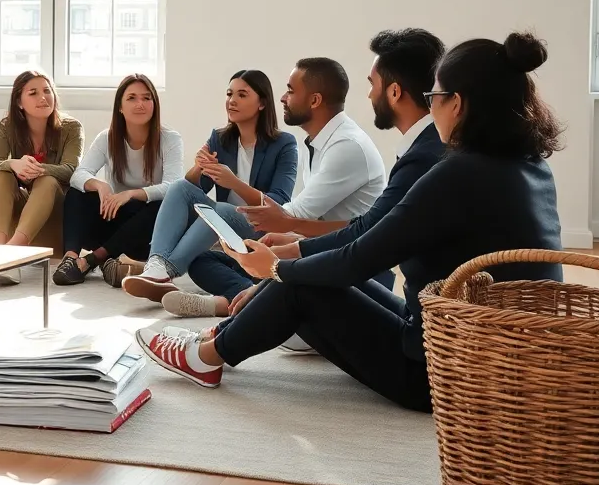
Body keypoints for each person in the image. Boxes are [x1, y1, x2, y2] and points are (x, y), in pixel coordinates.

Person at [134, 32, 567, 413]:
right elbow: (368, 234)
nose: (434, 111)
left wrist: (278, 269)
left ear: (458, 103)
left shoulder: (456, 169)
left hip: (441, 375)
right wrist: (287, 257)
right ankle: (222, 330)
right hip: (489, 361)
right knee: (314, 275)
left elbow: (361, 254)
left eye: (436, 98)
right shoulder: (528, 165)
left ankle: (206, 357)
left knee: (303, 284)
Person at [165, 30, 446, 319]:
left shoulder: (348, 146)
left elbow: (319, 220)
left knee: (277, 269)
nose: (283, 98)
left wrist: (287, 242)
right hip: (326, 250)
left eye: (289, 90)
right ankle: (233, 298)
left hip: (351, 266)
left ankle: (216, 324)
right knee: (205, 260)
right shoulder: (315, 142)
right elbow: (302, 220)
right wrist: (289, 241)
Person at [120, 70, 297, 303]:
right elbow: (195, 187)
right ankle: (157, 263)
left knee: (221, 209)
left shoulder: (284, 143)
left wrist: (234, 182)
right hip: (222, 225)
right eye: (229, 93)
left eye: (242, 95)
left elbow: (279, 201)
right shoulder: (220, 138)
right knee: (179, 188)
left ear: (262, 103)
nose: (232, 100)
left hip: (260, 227)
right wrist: (198, 167)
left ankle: (167, 271)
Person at [55, 74, 184, 287]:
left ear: (154, 105)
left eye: (147, 98)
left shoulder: (170, 139)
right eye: (132, 98)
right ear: (120, 107)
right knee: (78, 192)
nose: (140, 104)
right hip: (113, 221)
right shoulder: (108, 137)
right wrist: (100, 185)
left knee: (166, 205)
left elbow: (174, 185)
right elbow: (79, 174)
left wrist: (132, 194)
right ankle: (70, 259)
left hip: (145, 232)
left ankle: (93, 259)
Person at [0, 70, 84, 286]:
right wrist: (13, 164)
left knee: (47, 180)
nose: (43, 97)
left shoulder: (71, 128)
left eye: (47, 91)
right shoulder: (8, 126)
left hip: (53, 220)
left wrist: (38, 169)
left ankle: (10, 255)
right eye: (33, 93)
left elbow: (72, 171)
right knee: (2, 174)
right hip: (22, 218)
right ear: (19, 101)